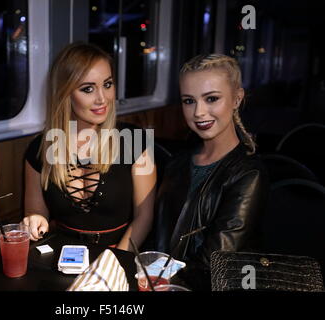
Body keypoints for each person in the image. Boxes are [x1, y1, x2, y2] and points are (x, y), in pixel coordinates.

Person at [23, 42, 156, 251]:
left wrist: (115, 263)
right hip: (62, 255)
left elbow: (144, 217)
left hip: (121, 253)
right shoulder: (39, 149)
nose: (102, 98)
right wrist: (34, 220)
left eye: (108, 84)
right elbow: (34, 210)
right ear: (65, 93)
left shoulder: (135, 140)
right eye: (88, 89)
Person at [155, 54, 269, 273]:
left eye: (211, 99)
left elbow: (213, 264)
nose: (198, 112)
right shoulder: (176, 163)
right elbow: (157, 235)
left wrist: (159, 276)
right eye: (189, 101)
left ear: (237, 98)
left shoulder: (249, 174)